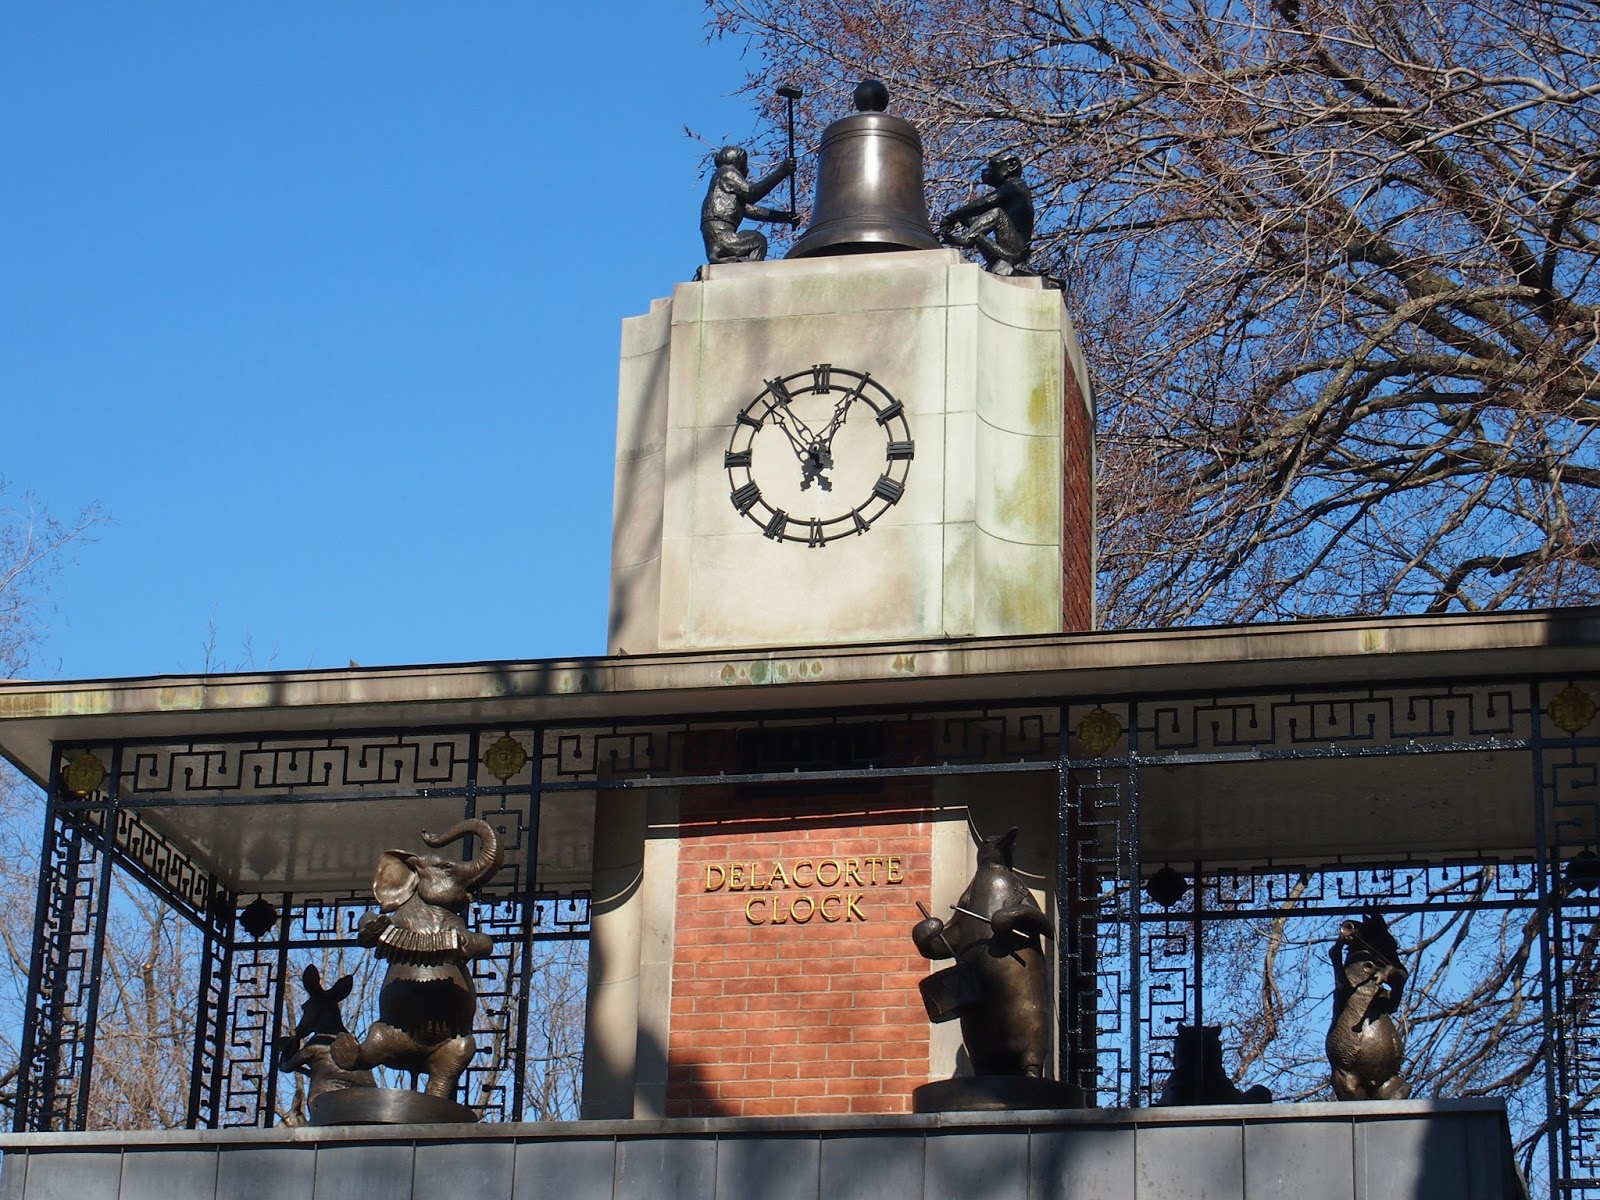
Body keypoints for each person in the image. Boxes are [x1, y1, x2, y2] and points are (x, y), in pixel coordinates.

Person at [939, 152, 1035, 276]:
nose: (986, 171)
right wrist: (961, 219)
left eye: (992, 167)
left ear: (1011, 166)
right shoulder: (1009, 194)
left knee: (997, 214)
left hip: (1016, 246)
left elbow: (987, 202)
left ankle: (968, 238)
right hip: (1007, 250)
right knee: (977, 224)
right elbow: (981, 223)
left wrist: (951, 216)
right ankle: (970, 237)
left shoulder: (1016, 185)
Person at [700, 146, 798, 264]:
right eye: (745, 165)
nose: (747, 170)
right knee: (758, 241)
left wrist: (786, 217)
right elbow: (751, 193)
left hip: (716, 239)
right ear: (739, 161)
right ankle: (748, 273)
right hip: (722, 235)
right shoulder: (728, 173)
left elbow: (752, 210)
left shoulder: (724, 190)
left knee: (755, 240)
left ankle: (738, 265)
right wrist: (782, 171)